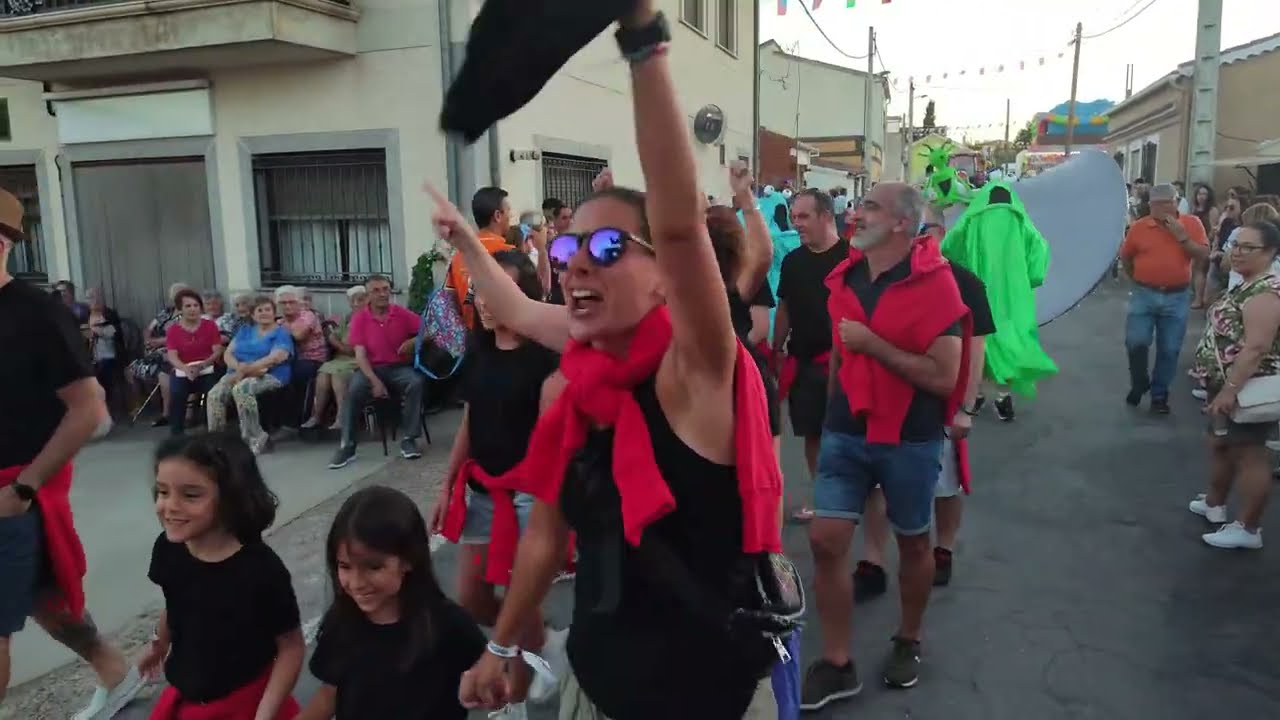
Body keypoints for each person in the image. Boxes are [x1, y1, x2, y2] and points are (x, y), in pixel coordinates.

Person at [435, 6, 782, 716]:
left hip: (699, 701)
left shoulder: (698, 373)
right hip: (595, 689)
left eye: (610, 248)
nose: (574, 265)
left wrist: (644, 37)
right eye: (566, 250)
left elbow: (680, 223)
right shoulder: (589, 373)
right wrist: (500, 648)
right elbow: (545, 533)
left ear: (667, 280)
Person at [801, 182, 971, 709]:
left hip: (910, 439)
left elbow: (946, 378)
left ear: (901, 223)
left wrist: (874, 345)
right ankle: (836, 662)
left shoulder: (940, 287)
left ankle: (909, 638)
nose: (856, 213)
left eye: (869, 206)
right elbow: (838, 352)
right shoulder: (846, 277)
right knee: (827, 540)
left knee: (914, 544)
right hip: (845, 433)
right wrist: (832, 414)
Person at [0, 188, 144, 718]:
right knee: (43, 600)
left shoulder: (37, 313)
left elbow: (87, 408)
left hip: (13, 490)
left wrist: (23, 489)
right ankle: (116, 673)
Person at [429, 251, 563, 716]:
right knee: (472, 597)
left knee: (519, 605)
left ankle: (517, 699)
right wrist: (448, 484)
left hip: (529, 499)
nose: (486, 303)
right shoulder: (478, 348)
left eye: (498, 292)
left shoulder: (546, 358)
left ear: (523, 297)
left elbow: (555, 441)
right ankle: (545, 644)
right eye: (480, 292)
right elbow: (471, 417)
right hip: (482, 492)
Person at [852, 216, 996, 601]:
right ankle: (873, 560)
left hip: (939, 405)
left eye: (931, 235)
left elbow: (975, 349)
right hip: (887, 403)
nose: (924, 244)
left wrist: (966, 407)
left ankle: (943, 548)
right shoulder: (885, 276)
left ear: (942, 237)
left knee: (944, 483)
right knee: (879, 483)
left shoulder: (965, 283)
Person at [140, 433, 304, 718]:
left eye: (190, 495)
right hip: (187, 694)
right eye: (163, 492)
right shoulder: (169, 548)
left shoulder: (262, 570)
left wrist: (265, 713)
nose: (170, 506)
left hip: (244, 700)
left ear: (232, 497)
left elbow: (291, 647)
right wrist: (159, 643)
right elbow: (176, 601)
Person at [297, 486, 485, 720]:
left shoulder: (449, 625)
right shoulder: (342, 624)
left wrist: (485, 682)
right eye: (345, 567)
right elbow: (330, 693)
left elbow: (491, 672)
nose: (356, 583)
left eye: (373, 567)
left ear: (408, 559)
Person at [1187, 221, 1280, 550]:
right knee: (1221, 445)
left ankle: (1248, 528)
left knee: (1250, 455)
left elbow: (1256, 347)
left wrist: (1229, 391)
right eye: (1235, 245)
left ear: (1269, 252)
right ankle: (1215, 503)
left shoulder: (1266, 292)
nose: (1237, 252)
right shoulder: (1246, 284)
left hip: (1248, 388)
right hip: (1225, 384)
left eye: (1247, 247)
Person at [774, 188, 849, 522]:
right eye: (794, 217)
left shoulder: (852, 258)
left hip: (848, 364)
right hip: (804, 364)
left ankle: (854, 495)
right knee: (813, 435)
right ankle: (824, 500)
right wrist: (775, 351)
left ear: (826, 216)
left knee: (850, 434)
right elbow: (785, 308)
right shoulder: (793, 261)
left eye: (804, 217)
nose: (797, 224)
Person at [1119, 183, 1209, 414]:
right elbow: (1127, 258)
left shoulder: (1191, 223)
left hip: (1177, 295)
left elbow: (1203, 255)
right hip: (1144, 292)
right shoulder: (1140, 227)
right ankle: (1139, 382)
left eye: (1168, 202)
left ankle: (1160, 395)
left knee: (1169, 348)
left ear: (1177, 202)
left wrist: (1182, 237)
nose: (1163, 208)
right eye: (1157, 204)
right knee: (1136, 341)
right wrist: (1138, 278)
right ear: (1150, 205)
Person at [328, 275, 426, 468]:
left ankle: (409, 438)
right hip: (370, 369)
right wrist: (374, 381)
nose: (382, 294)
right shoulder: (360, 318)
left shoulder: (401, 313)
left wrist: (414, 341)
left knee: (416, 382)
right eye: (376, 290)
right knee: (353, 390)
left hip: (398, 368)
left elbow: (428, 329)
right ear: (368, 295)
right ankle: (347, 446)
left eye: (385, 289)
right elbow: (360, 356)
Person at [207, 295, 294, 454]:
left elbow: (275, 358)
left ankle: (256, 439)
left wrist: (246, 371)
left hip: (271, 374)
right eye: (259, 310)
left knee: (242, 389)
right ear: (253, 315)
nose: (264, 313)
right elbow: (228, 354)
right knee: (215, 394)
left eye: (267, 309)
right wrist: (240, 369)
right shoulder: (245, 330)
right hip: (239, 371)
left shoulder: (281, 333)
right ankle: (217, 440)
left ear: (274, 313)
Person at [303, 286, 368, 430]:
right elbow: (335, 336)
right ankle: (317, 416)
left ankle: (341, 417)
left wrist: (338, 343)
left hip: (360, 359)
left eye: (361, 300)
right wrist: (338, 343)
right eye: (354, 301)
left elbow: (353, 348)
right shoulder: (349, 318)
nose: (357, 304)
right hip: (342, 358)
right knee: (323, 373)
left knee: (338, 375)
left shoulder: (370, 319)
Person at [448, 187, 514, 328]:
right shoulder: (510, 254)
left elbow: (450, 299)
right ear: (497, 215)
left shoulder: (459, 254)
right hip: (501, 335)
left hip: (470, 337)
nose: (511, 216)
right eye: (509, 211)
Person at [164, 288, 223, 436]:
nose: (193, 309)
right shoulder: (173, 330)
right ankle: (176, 435)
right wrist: (185, 368)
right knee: (177, 393)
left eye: (196, 305)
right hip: (183, 370)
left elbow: (217, 351)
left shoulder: (210, 326)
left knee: (214, 392)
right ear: (179, 309)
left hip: (207, 368)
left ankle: (214, 431)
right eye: (188, 306)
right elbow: (172, 356)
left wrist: (202, 365)